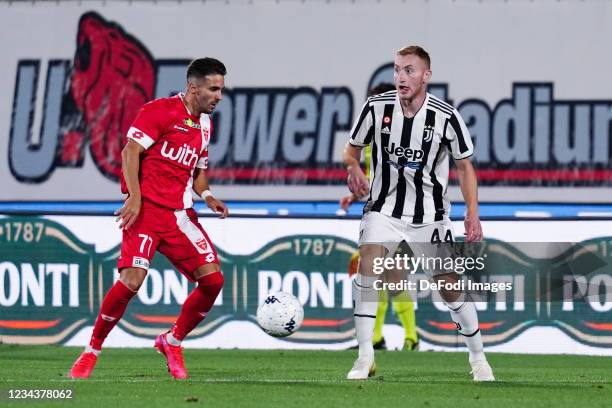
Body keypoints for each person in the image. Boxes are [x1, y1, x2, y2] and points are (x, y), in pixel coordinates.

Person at [70, 58, 229, 380]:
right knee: (131, 281)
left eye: (221, 90)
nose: (218, 96)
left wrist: (209, 196)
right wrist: (135, 198)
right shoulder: (158, 111)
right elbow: (130, 152)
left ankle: (172, 341)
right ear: (193, 87)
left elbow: (198, 172)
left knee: (213, 281)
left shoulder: (205, 125)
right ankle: (91, 351)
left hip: (180, 215)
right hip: (145, 212)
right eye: (213, 89)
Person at [343, 45, 495, 381]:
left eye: (409, 70)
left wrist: (473, 212)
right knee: (368, 267)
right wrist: (352, 167)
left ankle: (478, 358)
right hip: (383, 210)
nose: (401, 77)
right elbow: (350, 150)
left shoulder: (446, 116)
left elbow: (465, 167)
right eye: (397, 70)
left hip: (431, 216)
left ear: (426, 75)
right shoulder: (375, 108)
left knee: (449, 287)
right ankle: (365, 356)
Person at [342, 83, 419, 352]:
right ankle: (376, 338)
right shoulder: (372, 134)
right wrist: (357, 193)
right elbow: (376, 174)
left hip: (400, 214)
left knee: (393, 276)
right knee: (377, 274)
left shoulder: (407, 133)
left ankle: (411, 337)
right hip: (378, 211)